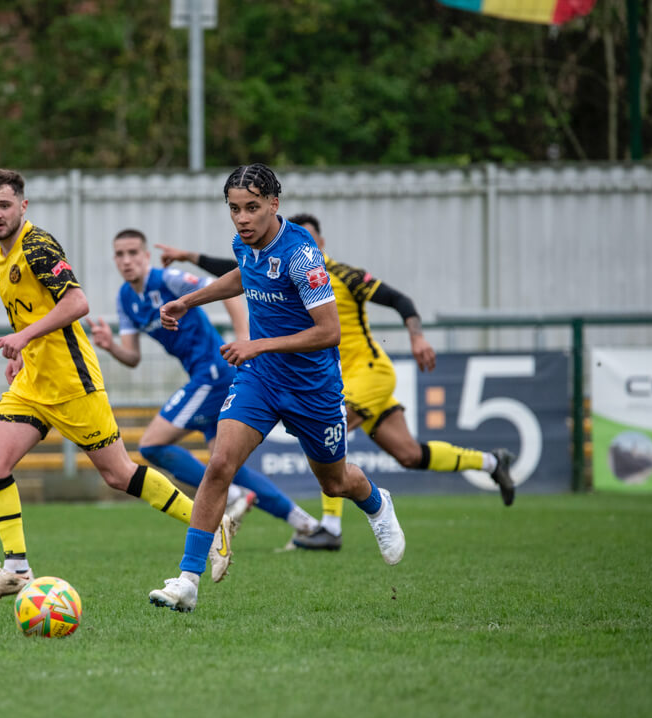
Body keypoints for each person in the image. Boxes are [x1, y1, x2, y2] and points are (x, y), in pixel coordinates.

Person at [155, 213, 515, 552]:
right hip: (327, 375)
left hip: (365, 374)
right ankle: (488, 462)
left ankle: (331, 526)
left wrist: (417, 336)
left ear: (319, 241)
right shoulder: (268, 261)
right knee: (408, 454)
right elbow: (237, 271)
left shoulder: (343, 275)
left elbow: (399, 300)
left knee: (333, 458)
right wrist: (188, 261)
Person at [148, 164, 405, 614]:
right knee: (219, 465)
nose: (242, 218)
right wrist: (187, 301)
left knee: (336, 480)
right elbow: (242, 275)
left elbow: (329, 332)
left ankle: (377, 503)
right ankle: (187, 581)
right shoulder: (242, 244)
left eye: (251, 207)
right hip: (262, 377)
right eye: (234, 209)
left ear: (273, 204)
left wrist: (257, 343)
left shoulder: (302, 255)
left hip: (313, 387)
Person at [0, 169, 236, 600]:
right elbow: (30, 310)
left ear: (23, 205)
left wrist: (23, 336)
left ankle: (210, 520)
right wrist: (21, 350)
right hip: (34, 383)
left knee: (118, 474)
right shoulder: (1, 257)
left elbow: (77, 302)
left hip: (74, 383)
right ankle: (17, 568)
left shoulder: (37, 245)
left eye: (4, 205)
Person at [88, 228, 330, 572]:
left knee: (152, 444)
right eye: (119, 255)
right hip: (203, 376)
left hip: (213, 373)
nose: (126, 261)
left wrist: (245, 337)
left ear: (145, 256)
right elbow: (132, 357)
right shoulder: (126, 300)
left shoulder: (169, 279)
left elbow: (229, 289)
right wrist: (110, 345)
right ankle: (306, 524)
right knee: (228, 466)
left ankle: (229, 500)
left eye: (132, 253)